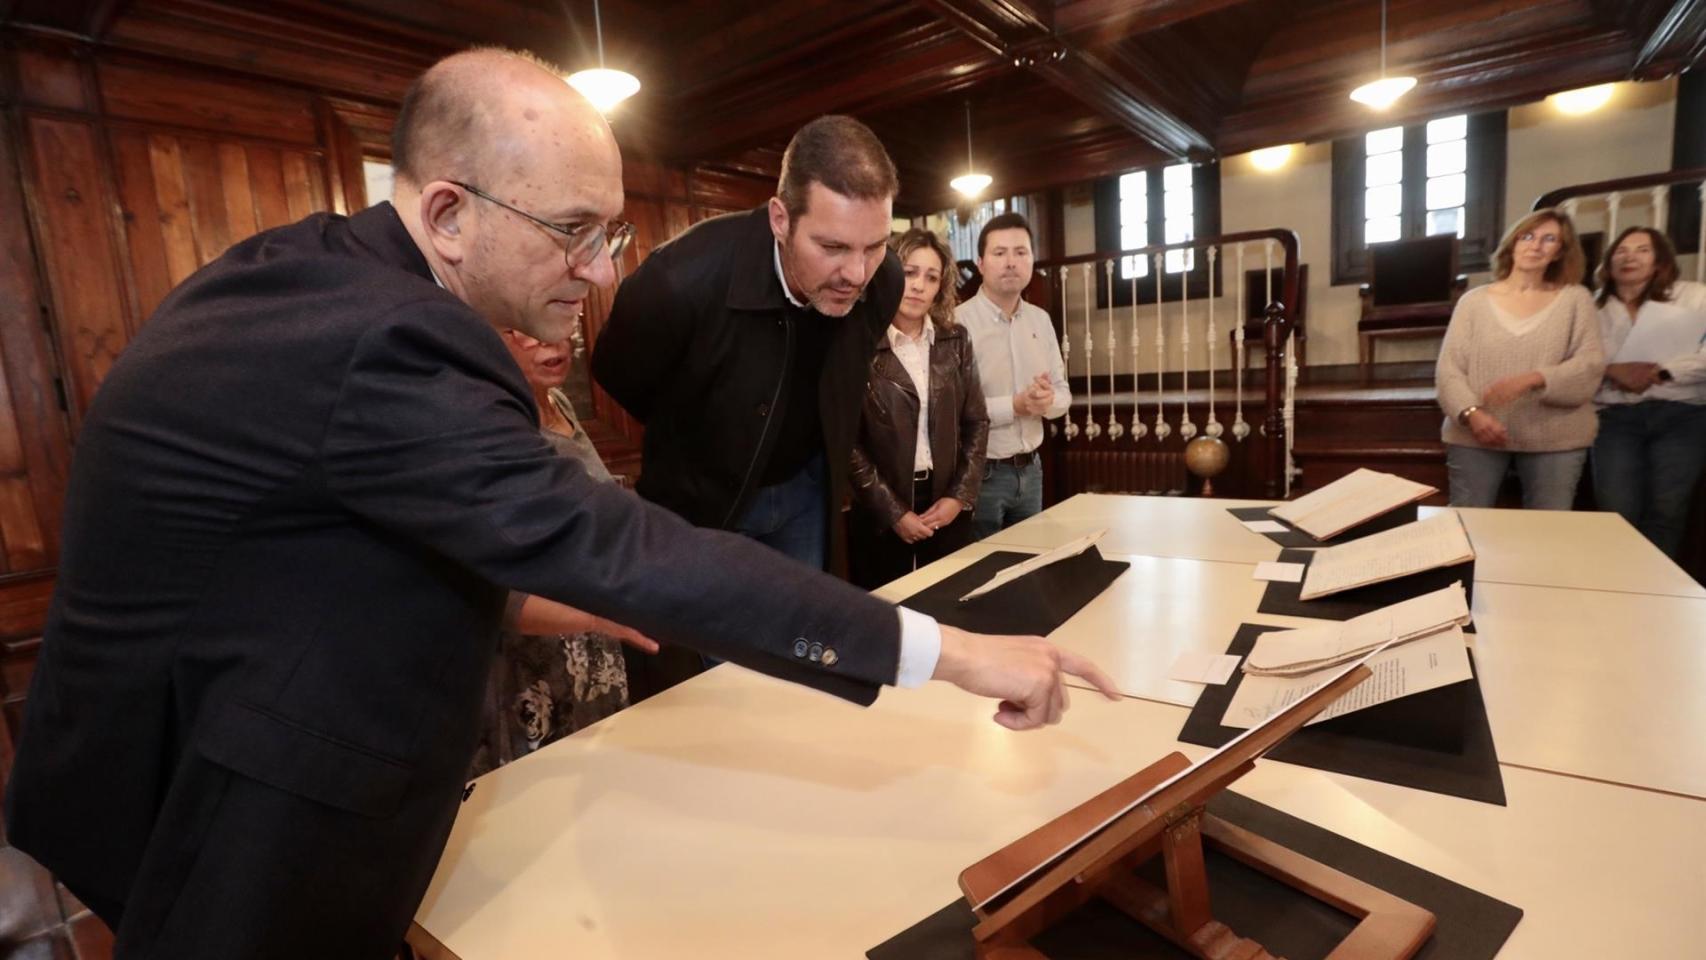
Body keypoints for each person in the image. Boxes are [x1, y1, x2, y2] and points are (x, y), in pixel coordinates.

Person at [3, 49, 1119, 960]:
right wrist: (957, 654)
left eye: (609, 233)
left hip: (219, 734)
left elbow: (324, 544)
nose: (595, 272)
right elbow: (610, 540)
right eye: (572, 231)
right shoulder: (386, 338)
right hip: (214, 793)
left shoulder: (321, 273)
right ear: (447, 212)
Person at [591, 115, 903, 575]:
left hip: (806, 489)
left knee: (798, 637)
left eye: (874, 246)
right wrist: (703, 435)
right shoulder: (678, 281)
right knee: (721, 643)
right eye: (833, 247)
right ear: (781, 218)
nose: (857, 274)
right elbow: (620, 375)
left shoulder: (885, 281)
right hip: (704, 503)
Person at [468, 329, 653, 778]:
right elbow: (495, 593)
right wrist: (597, 617)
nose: (554, 344)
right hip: (536, 660)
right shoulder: (489, 431)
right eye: (526, 334)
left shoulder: (559, 404)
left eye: (562, 332)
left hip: (595, 643)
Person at [1435, 208, 1604, 509]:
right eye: (1527, 236)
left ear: (1559, 252)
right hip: (1475, 432)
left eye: (1549, 239)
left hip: (1555, 435)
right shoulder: (1473, 302)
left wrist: (1533, 379)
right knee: (1467, 522)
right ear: (1513, 243)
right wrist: (1472, 413)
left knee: (1546, 530)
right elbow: (1449, 369)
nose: (1535, 245)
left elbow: (1589, 365)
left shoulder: (1575, 298)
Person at [848, 228, 988, 589]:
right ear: (886, 272)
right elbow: (846, 442)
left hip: (945, 500)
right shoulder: (855, 342)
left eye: (931, 277)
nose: (918, 286)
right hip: (882, 506)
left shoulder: (955, 340)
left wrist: (959, 497)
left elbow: (976, 423)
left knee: (949, 608)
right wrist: (893, 512)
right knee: (887, 616)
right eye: (909, 273)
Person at [1590, 226, 1706, 559]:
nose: (1630, 257)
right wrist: (1612, 371)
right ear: (1609, 261)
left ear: (1659, 260)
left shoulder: (1694, 295)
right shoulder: (1592, 309)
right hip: (1614, 417)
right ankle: (1621, 585)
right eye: (1621, 251)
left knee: (1667, 510)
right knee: (1616, 512)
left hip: (1683, 414)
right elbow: (1578, 363)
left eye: (1642, 250)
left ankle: (1654, 593)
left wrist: (1662, 371)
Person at [955, 213, 1069, 538]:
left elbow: (1063, 394)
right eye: (999, 253)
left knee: (1028, 567)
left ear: (1032, 260)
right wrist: (1016, 406)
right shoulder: (956, 325)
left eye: (1021, 252)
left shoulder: (1040, 320)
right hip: (980, 474)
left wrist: (1045, 402)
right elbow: (956, 411)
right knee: (981, 574)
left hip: (1032, 470)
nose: (1011, 262)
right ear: (980, 262)